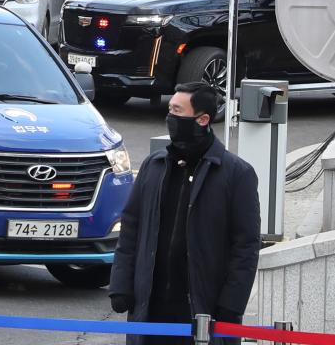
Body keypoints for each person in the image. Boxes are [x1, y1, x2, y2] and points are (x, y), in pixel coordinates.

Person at [109, 82, 260, 345]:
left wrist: (231, 305)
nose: (170, 118)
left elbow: (246, 246)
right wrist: (121, 284)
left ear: (203, 119)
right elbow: (131, 227)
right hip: (151, 311)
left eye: (178, 111)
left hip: (202, 311)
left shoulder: (236, 174)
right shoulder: (154, 166)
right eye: (170, 110)